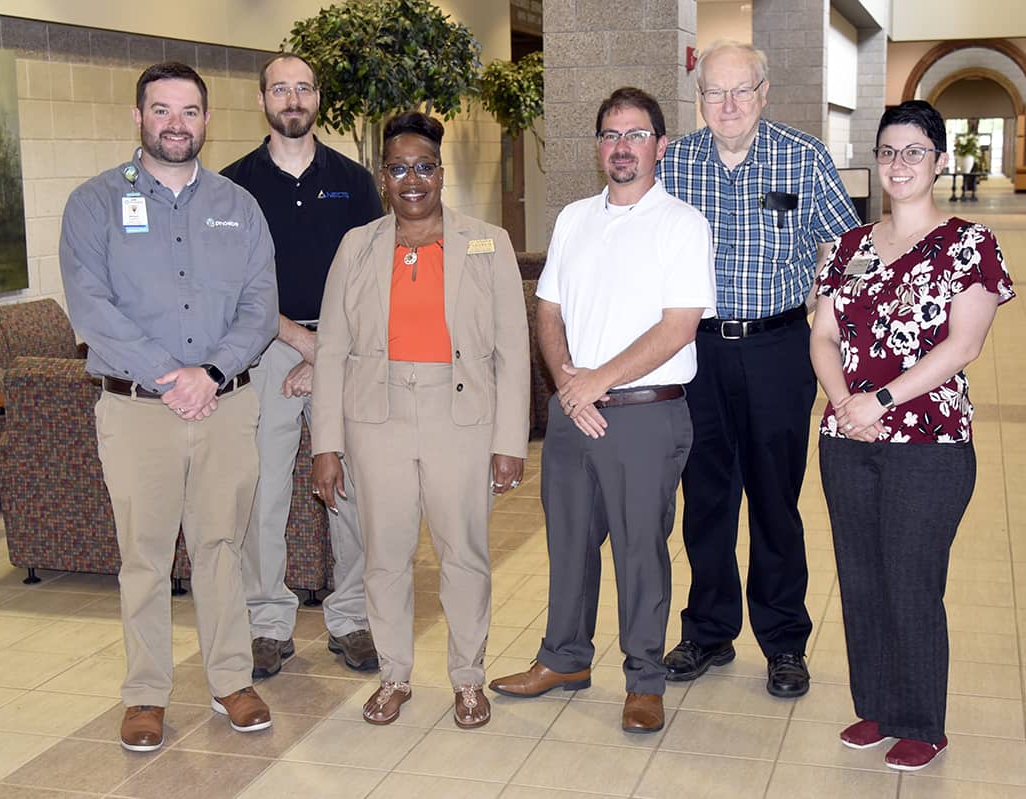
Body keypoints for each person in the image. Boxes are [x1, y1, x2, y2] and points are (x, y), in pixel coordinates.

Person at [59, 62, 278, 752]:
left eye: (189, 111)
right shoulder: (94, 203)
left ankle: (230, 680)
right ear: (138, 117)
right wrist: (169, 375)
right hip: (135, 409)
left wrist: (209, 372)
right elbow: (91, 306)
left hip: (224, 403)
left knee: (220, 547)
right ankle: (147, 694)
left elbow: (260, 308)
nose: (176, 124)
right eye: (161, 110)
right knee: (144, 556)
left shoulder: (238, 206)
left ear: (207, 121)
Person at [489, 87, 715, 734]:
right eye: (611, 135)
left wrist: (595, 383)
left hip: (645, 415)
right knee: (568, 542)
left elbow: (677, 329)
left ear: (660, 146)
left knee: (640, 551)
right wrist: (567, 382)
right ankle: (563, 657)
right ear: (598, 147)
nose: (622, 146)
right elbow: (549, 310)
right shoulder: (573, 219)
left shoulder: (682, 224)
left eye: (636, 134)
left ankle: (644, 679)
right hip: (572, 412)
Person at [811, 100, 1014, 771]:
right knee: (861, 577)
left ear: (940, 161)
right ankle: (877, 706)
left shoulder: (969, 245)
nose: (899, 164)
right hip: (846, 438)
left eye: (915, 151)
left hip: (930, 444)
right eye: (890, 151)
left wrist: (882, 399)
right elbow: (824, 333)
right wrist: (845, 403)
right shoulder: (844, 247)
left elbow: (964, 345)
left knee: (910, 578)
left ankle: (923, 719)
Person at [310, 111, 529, 729]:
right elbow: (331, 351)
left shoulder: (487, 243)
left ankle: (467, 678)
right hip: (375, 418)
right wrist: (326, 444)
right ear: (384, 177)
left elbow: (514, 347)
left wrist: (509, 440)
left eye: (424, 167)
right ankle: (394, 675)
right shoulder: (357, 246)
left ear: (441, 173)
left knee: (464, 554)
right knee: (384, 555)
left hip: (460, 416)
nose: (413, 179)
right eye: (400, 168)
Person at [656, 40, 858, 695]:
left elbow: (848, 250)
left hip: (778, 351)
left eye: (742, 90)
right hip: (699, 353)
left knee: (776, 502)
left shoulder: (804, 157)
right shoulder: (677, 162)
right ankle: (708, 631)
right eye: (715, 92)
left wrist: (827, 319)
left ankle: (784, 642)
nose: (729, 104)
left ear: (764, 93)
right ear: (700, 99)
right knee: (706, 498)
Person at [221, 53, 384, 679]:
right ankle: (266, 623)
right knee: (262, 490)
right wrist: (300, 343)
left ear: (319, 99)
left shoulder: (354, 180)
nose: (293, 99)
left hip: (347, 347)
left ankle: (352, 619)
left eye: (304, 89)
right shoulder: (232, 187)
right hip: (265, 348)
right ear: (262, 99)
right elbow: (234, 284)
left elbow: (374, 280)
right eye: (280, 89)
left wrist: (328, 353)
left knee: (352, 486)